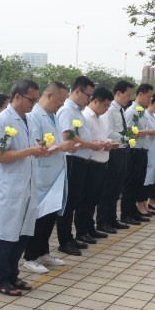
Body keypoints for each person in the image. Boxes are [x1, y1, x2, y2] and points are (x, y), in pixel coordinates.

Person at [0, 79, 53, 296]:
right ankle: (0, 279)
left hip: (27, 184)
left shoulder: (27, 119)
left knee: (23, 232)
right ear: (17, 96)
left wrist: (40, 149)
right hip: (10, 187)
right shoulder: (3, 120)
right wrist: (30, 151)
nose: (34, 103)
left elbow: (29, 146)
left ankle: (13, 275)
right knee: (7, 233)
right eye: (31, 99)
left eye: (36, 99)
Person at [25, 81, 78, 262]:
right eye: (60, 100)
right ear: (49, 95)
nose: (62, 104)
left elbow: (55, 142)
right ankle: (30, 257)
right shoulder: (34, 115)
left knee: (50, 215)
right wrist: (61, 146)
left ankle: (43, 252)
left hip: (56, 173)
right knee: (39, 217)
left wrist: (66, 146)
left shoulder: (53, 115)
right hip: (42, 174)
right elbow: (35, 143)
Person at [56, 76, 108, 250]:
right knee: (69, 202)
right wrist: (92, 145)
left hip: (81, 160)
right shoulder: (67, 110)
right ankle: (64, 240)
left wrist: (94, 142)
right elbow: (68, 135)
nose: (89, 99)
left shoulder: (77, 111)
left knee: (74, 201)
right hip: (73, 160)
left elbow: (80, 135)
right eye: (88, 95)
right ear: (78, 91)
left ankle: (69, 237)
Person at [98, 80, 135, 232]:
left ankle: (112, 218)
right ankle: (102, 221)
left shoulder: (121, 110)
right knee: (108, 188)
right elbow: (109, 132)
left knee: (117, 188)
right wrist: (127, 137)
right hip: (114, 151)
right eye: (128, 95)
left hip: (123, 150)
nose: (129, 98)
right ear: (118, 93)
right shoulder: (110, 110)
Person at [81, 87, 118, 236]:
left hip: (102, 162)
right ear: (96, 101)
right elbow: (87, 141)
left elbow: (101, 137)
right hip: (91, 163)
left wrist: (110, 142)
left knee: (94, 199)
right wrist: (104, 145)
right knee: (86, 200)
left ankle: (90, 228)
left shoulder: (99, 118)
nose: (106, 109)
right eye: (105, 105)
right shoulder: (85, 117)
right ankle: (82, 231)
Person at [121, 83, 155, 224]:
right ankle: (126, 214)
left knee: (138, 184)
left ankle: (133, 211)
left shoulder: (141, 112)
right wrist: (147, 132)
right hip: (133, 151)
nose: (150, 100)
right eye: (149, 96)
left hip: (142, 151)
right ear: (140, 94)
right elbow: (129, 132)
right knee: (130, 184)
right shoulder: (132, 111)